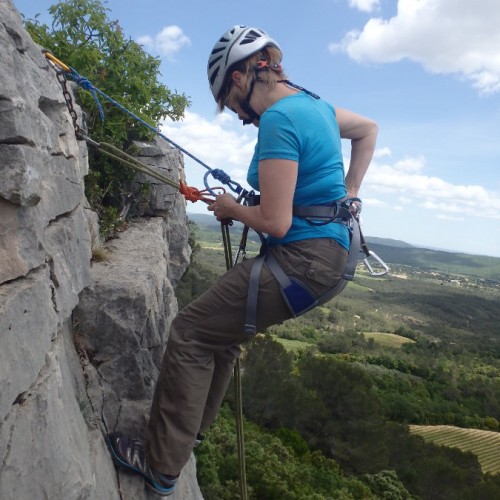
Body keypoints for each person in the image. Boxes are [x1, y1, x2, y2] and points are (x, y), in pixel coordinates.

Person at [106, 25, 378, 496]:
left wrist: (233, 209)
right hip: (332, 256)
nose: (239, 116)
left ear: (240, 79)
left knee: (190, 333)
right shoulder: (316, 106)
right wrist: (350, 192)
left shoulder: (279, 119)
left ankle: (159, 463)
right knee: (221, 337)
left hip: (302, 259)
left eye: (232, 106)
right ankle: (190, 432)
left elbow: (274, 222)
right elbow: (368, 130)